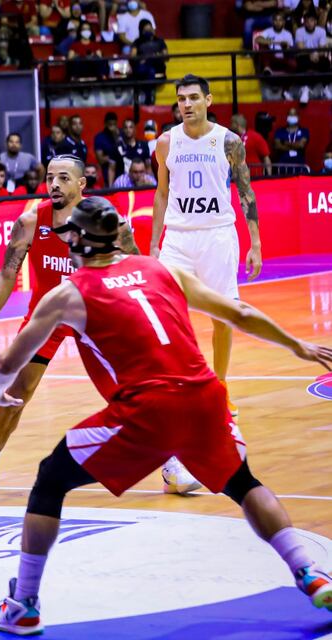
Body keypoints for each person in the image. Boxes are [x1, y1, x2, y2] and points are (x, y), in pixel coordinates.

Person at [0, 196, 332, 635]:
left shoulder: (69, 293)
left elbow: (13, 360)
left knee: (51, 479)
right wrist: (298, 346)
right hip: (206, 398)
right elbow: (238, 311)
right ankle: (309, 572)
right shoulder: (160, 268)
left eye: (71, 233)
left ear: (82, 242)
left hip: (148, 408)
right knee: (243, 483)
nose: (65, 239)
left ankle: (24, 604)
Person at [0, 156, 138, 496]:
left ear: (82, 184)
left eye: (63, 178)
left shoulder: (109, 222)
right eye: (49, 178)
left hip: (94, 315)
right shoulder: (30, 221)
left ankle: (171, 462)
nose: (54, 184)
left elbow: (136, 267)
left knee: (128, 389)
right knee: (15, 392)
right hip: (48, 315)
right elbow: (7, 273)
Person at [150, 75, 262, 494]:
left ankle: (220, 389)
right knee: (165, 315)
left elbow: (247, 192)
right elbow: (161, 192)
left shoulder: (229, 141)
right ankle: (179, 389)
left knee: (223, 316)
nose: (187, 104)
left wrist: (256, 243)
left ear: (208, 100)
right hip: (178, 236)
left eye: (194, 98)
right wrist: (154, 241)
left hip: (218, 233)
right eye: (181, 99)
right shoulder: (166, 143)